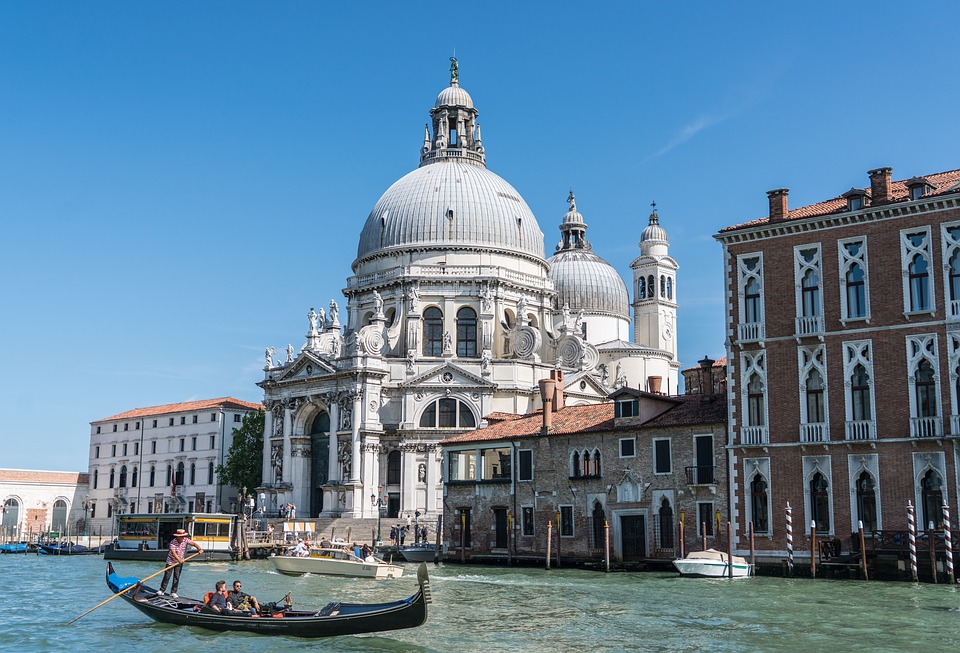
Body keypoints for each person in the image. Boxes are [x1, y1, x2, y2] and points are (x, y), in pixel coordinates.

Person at [157, 528, 204, 598]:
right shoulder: (173, 542)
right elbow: (173, 553)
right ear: (177, 537)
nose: (182, 538)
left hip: (180, 562)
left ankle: (173, 592)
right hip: (171, 561)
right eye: (181, 537)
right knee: (167, 576)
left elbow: (193, 544)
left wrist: (199, 549)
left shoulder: (185, 540)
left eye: (183, 536)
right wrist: (179, 559)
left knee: (176, 577)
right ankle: (162, 590)